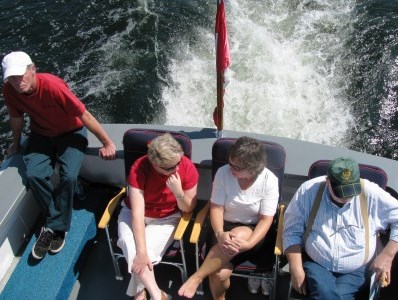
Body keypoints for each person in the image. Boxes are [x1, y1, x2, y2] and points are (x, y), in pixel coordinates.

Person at [1, 51, 117, 260]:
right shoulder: (10, 90)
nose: (17, 82)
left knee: (68, 176)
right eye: (11, 78)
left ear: (33, 69)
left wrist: (107, 142)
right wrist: (15, 145)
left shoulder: (53, 86)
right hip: (41, 134)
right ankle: (56, 223)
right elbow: (16, 118)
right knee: (35, 175)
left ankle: (55, 227)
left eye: (20, 75)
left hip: (71, 133)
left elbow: (84, 115)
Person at [283, 157, 398, 300]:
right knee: (325, 294)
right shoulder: (308, 191)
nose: (346, 197)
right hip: (317, 264)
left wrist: (387, 256)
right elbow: (292, 230)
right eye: (341, 193)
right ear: (327, 180)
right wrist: (296, 268)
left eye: (351, 191)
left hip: (356, 270)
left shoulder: (371, 193)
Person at [178, 136, 279, 299]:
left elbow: (265, 219)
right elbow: (216, 208)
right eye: (230, 162)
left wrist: (249, 243)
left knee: (238, 234)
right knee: (218, 274)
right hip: (223, 229)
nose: (231, 168)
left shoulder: (269, 181)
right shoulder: (223, 173)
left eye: (236, 167)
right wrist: (219, 233)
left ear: (253, 168)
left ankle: (197, 277)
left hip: (254, 233)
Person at [117, 133, 199, 300]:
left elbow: (189, 208)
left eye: (177, 163)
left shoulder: (186, 166)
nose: (176, 169)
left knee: (142, 256)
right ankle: (156, 294)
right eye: (169, 167)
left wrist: (178, 193)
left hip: (166, 218)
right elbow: (137, 213)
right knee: (133, 249)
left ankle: (141, 295)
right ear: (154, 163)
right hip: (134, 213)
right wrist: (141, 252)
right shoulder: (139, 168)